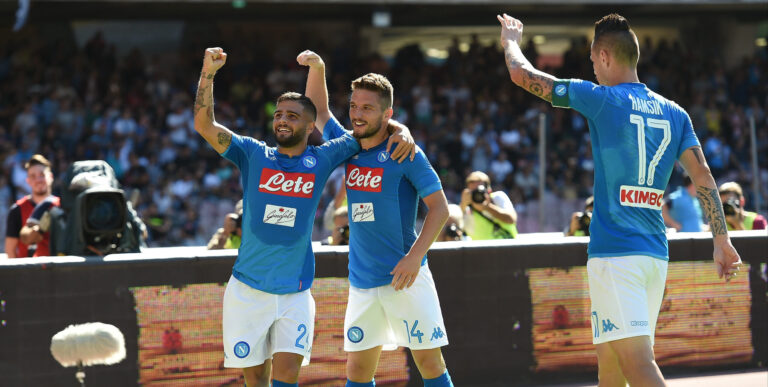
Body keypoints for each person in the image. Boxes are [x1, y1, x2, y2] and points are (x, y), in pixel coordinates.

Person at [498, 13, 741, 386]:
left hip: (616, 257)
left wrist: (510, 41)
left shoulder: (602, 99)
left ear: (607, 56)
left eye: (593, 61)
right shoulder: (676, 113)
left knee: (637, 365)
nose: (592, 68)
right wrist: (721, 240)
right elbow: (704, 176)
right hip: (653, 257)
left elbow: (523, 76)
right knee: (610, 366)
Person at [193, 47, 364, 387]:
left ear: (308, 124)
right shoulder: (253, 153)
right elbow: (203, 124)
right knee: (256, 379)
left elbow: (367, 132)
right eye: (279, 114)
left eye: (292, 115)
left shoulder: (323, 158)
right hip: (247, 291)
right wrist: (208, 74)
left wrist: (318, 69)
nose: (282, 120)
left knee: (287, 377)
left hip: (295, 292)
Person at [299, 50, 454, 387]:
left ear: (388, 113)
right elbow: (320, 109)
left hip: (406, 278)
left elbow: (440, 208)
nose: (357, 114)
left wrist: (415, 259)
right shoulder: (348, 145)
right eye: (354, 106)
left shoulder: (405, 152)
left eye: (367, 108)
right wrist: (318, 67)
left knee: (429, 362)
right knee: (357, 372)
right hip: (363, 282)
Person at [4, 154, 60, 258]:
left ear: (51, 177)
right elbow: (10, 250)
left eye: (42, 175)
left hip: (58, 269)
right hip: (29, 271)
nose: (38, 180)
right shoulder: (17, 210)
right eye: (33, 176)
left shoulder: (61, 207)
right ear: (28, 181)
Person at [459, 171, 517, 240]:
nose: (477, 195)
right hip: (481, 249)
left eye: (479, 191)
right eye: (473, 191)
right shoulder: (466, 207)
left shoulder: (497, 197)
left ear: (489, 190)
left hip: (507, 246)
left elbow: (511, 219)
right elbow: (457, 224)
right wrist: (463, 204)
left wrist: (488, 207)